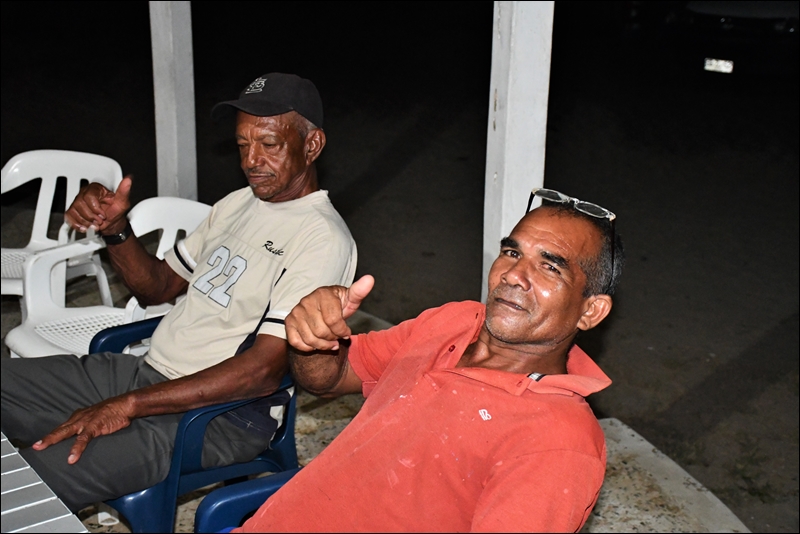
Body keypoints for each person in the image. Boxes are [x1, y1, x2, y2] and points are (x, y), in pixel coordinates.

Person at [0, 73, 357, 512]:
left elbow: (261, 371)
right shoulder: (238, 203)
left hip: (217, 418)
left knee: (25, 485)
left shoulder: (321, 238)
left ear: (312, 145)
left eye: (269, 144)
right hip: (146, 373)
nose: (251, 160)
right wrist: (116, 229)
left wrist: (129, 405)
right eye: (243, 144)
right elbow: (158, 286)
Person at [239, 189, 624, 532]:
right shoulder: (454, 320)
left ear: (590, 311)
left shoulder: (558, 441)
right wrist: (313, 338)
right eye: (512, 252)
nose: (513, 275)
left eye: (550, 266)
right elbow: (331, 377)